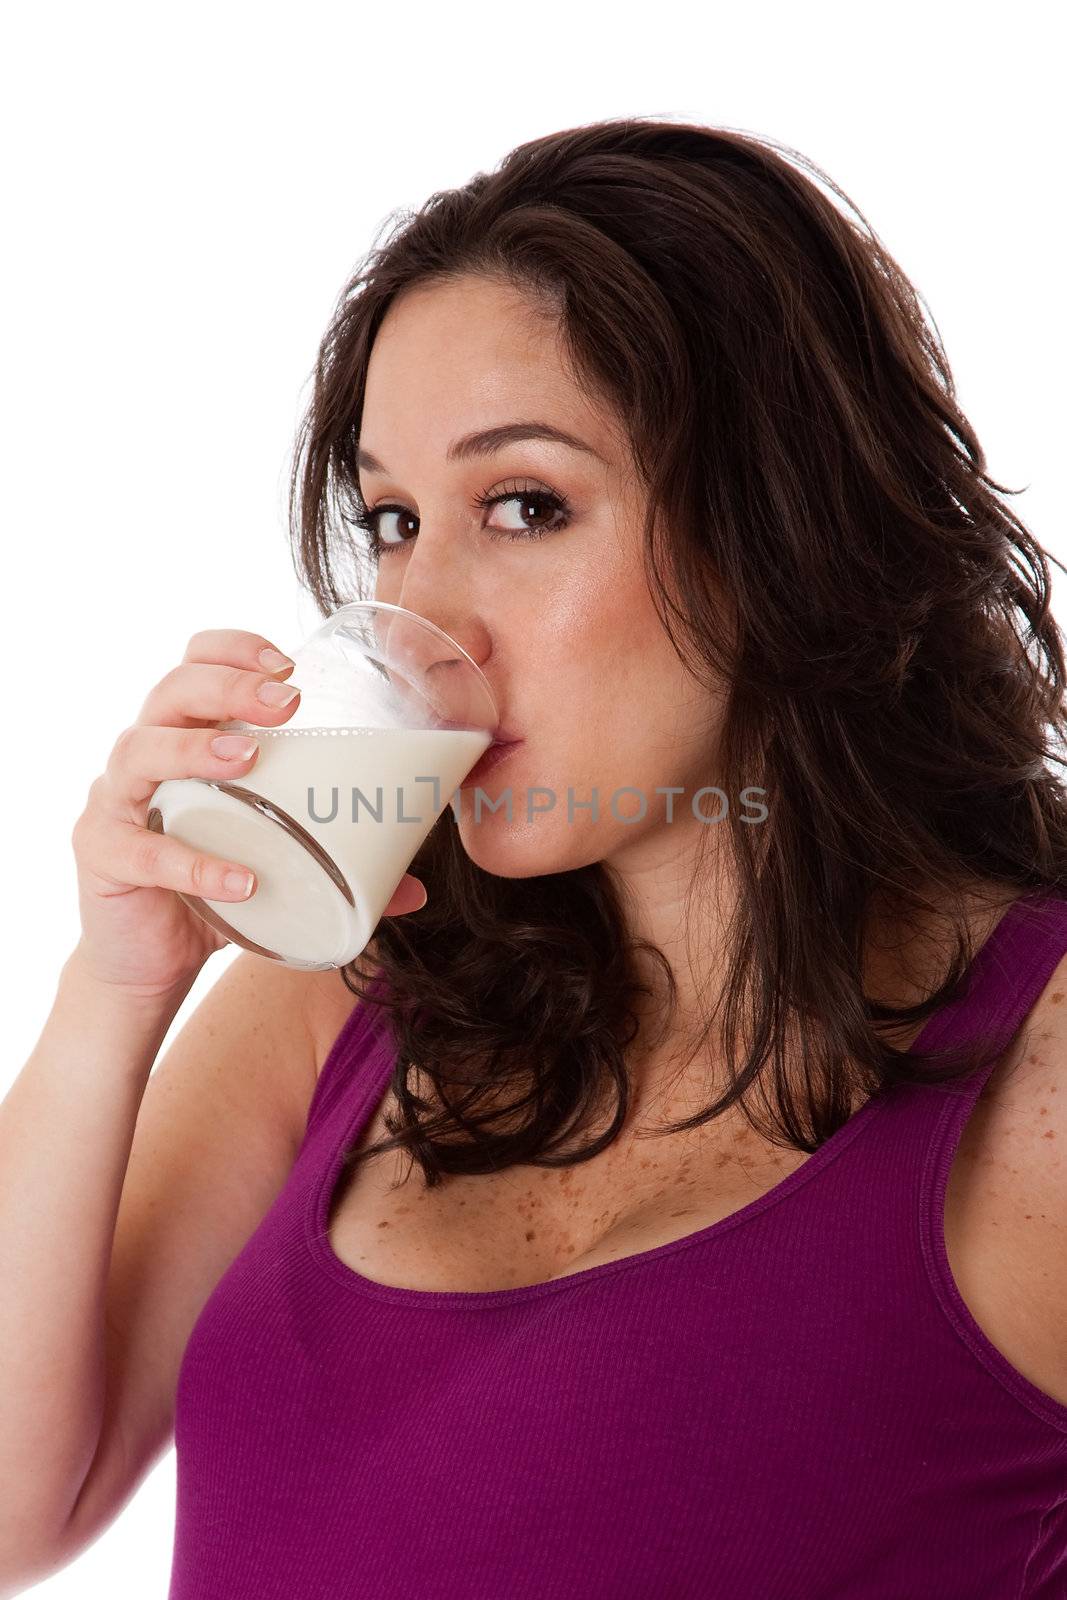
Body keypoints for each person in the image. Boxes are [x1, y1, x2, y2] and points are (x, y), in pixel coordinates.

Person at [3, 117, 1066, 1598]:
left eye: (524, 506)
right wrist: (112, 984)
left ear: (779, 523)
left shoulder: (1041, 1062)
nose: (428, 607)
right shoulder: (347, 1003)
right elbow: (16, 1511)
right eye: (391, 519)